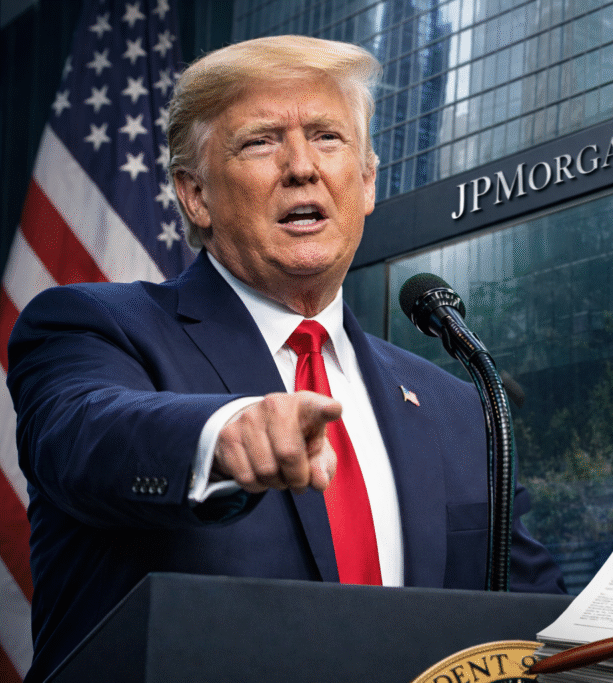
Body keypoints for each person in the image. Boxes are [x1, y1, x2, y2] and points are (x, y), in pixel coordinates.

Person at [8, 35, 564, 682]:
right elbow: (83, 434)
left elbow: (543, 626)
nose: (302, 166)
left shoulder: (459, 407)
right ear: (195, 194)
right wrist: (222, 435)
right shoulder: (91, 325)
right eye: (260, 141)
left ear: (366, 182)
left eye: (327, 137)